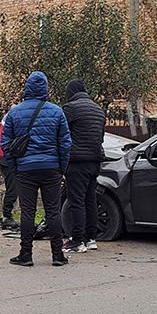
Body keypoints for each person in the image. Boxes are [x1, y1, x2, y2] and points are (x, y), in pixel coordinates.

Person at [0, 71, 71, 267]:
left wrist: (15, 168)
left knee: (27, 212)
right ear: (45, 89)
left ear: (27, 88)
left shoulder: (14, 113)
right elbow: (65, 144)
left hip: (25, 170)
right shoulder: (57, 112)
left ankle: (26, 254)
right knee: (53, 212)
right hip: (51, 168)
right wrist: (61, 168)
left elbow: (6, 145)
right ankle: (57, 255)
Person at [61, 79, 107, 254]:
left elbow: (63, 134)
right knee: (90, 200)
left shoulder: (70, 108)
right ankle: (91, 238)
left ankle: (77, 240)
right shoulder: (98, 110)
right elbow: (100, 137)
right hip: (95, 162)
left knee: (76, 201)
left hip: (77, 162)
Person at [0, 123, 18, 229]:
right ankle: (6, 216)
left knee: (13, 187)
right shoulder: (11, 117)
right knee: (13, 188)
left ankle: (7, 215)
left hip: (4, 156)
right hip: (6, 158)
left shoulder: (9, 117)